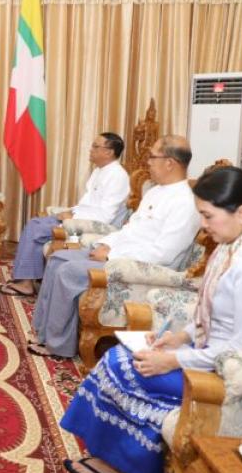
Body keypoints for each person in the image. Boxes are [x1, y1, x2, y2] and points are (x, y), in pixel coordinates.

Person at [59, 166, 242, 473]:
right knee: (121, 357)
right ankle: (115, 459)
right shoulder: (229, 247)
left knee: (124, 366)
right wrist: (180, 338)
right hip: (204, 353)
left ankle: (131, 469)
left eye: (208, 216)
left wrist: (173, 360)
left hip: (224, 374)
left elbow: (240, 352)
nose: (203, 226)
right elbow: (210, 312)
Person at [29, 136, 201, 358]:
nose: (148, 162)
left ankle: (57, 346)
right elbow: (129, 230)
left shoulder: (185, 202)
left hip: (136, 267)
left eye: (152, 157)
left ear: (170, 163)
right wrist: (105, 244)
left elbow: (164, 253)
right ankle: (43, 332)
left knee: (67, 271)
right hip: (118, 253)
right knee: (57, 258)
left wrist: (112, 256)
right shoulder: (155, 191)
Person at [2, 133, 130, 297]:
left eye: (95, 146)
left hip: (87, 226)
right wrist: (71, 211)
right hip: (78, 216)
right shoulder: (99, 171)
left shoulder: (118, 176)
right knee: (35, 223)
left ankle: (26, 283)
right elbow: (87, 203)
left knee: (35, 228)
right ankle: (28, 279)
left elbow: (105, 215)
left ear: (109, 152)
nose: (90, 150)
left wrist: (73, 216)